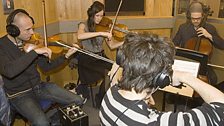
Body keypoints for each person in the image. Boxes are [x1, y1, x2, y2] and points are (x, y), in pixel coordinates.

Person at [99, 32, 224, 125]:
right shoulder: (156, 122)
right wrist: (184, 76)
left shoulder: (110, 93)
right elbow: (221, 107)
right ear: (161, 78)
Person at [0, 9, 84, 126]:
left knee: (78, 101)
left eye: (32, 28)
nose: (32, 33)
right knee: (41, 122)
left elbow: (46, 68)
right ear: (13, 30)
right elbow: (9, 71)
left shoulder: (32, 43)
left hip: (39, 86)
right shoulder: (2, 46)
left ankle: (54, 121)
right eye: (28, 30)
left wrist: (66, 56)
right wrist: (34, 53)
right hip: (19, 95)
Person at [76, 1, 123, 108]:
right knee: (107, 73)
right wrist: (101, 33)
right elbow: (80, 36)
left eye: (102, 16)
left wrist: (125, 41)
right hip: (88, 59)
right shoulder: (83, 25)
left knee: (116, 69)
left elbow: (112, 45)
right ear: (91, 14)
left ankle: (108, 95)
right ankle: (100, 100)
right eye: (97, 15)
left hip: (101, 57)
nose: (99, 19)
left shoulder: (104, 27)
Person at [173, 1, 224, 85]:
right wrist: (177, 48)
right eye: (193, 18)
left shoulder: (210, 28)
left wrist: (209, 36)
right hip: (186, 61)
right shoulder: (183, 28)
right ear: (189, 17)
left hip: (203, 64)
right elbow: (174, 43)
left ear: (203, 16)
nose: (196, 21)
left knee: (213, 79)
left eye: (198, 18)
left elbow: (222, 45)